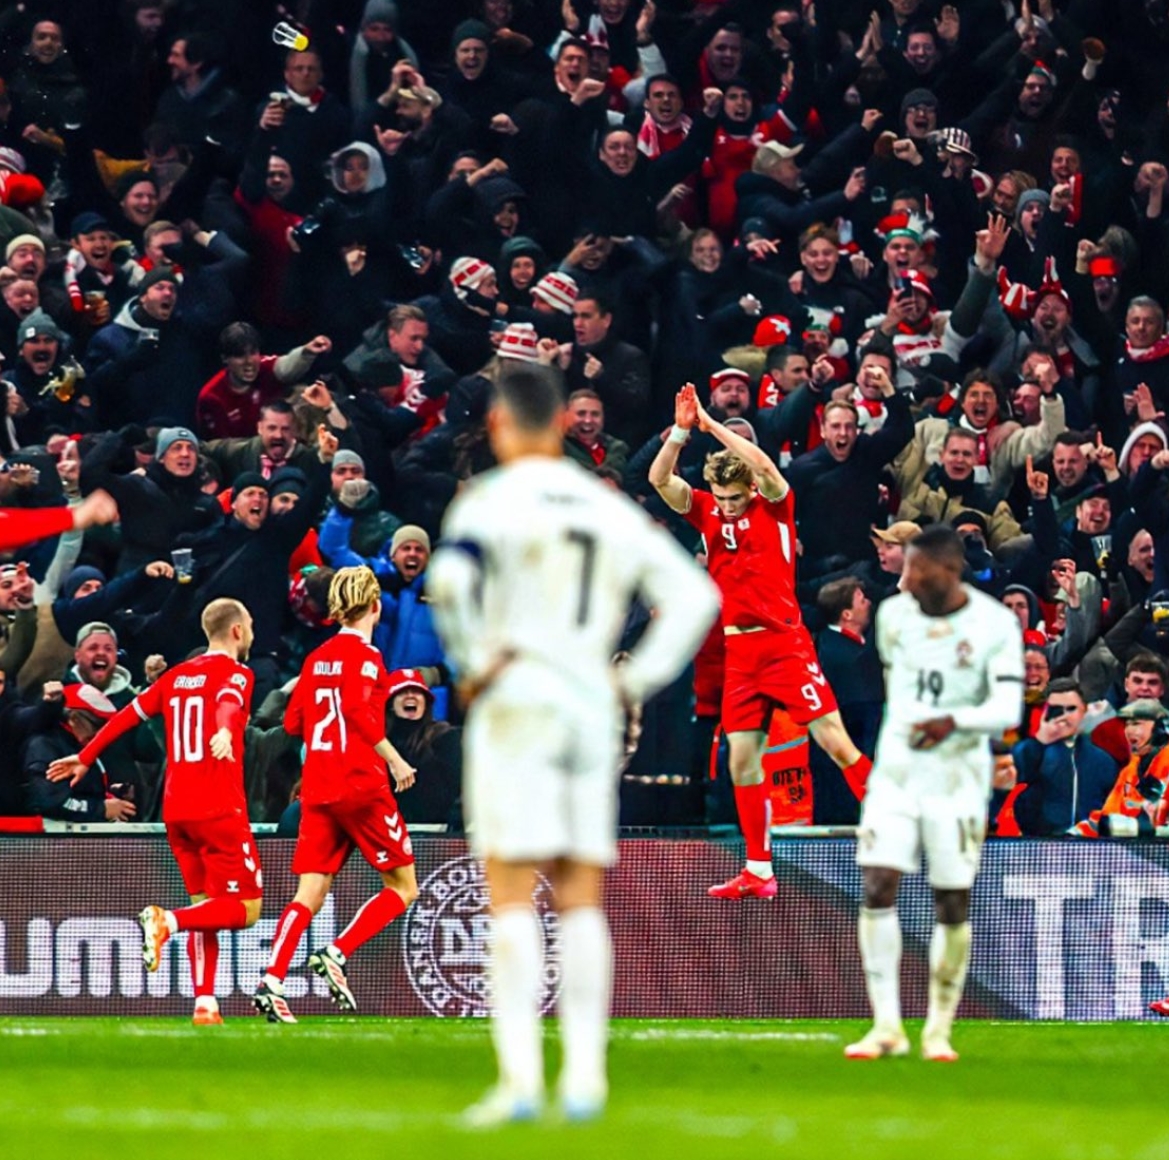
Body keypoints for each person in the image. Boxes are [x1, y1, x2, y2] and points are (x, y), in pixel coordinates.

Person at [428, 368, 718, 1124]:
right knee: (581, 895)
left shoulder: (486, 501)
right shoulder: (604, 506)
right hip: (589, 702)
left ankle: (520, 1082)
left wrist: (471, 662)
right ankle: (585, 1079)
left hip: (515, 699)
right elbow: (696, 595)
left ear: (498, 425)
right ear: (563, 423)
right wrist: (634, 680)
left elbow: (449, 583)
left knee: (509, 890)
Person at [650, 383, 874, 899]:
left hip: (784, 644)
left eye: (735, 497)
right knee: (740, 760)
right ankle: (758, 868)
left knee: (835, 743)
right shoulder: (707, 511)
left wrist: (711, 425)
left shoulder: (774, 505)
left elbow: (766, 466)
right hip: (740, 654)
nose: (727, 507)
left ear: (750, 489)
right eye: (722, 498)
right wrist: (681, 433)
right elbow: (659, 479)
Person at [848, 525, 1023, 1062]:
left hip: (957, 780)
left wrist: (953, 723)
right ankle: (886, 1025)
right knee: (878, 883)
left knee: (951, 898)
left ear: (949, 571)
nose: (906, 582)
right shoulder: (893, 616)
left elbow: (1007, 709)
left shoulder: (994, 624)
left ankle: (938, 1029)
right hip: (897, 774)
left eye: (917, 572)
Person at [47, 599, 260, 1027]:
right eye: (250, 624)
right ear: (237, 630)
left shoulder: (177, 677)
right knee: (245, 909)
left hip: (176, 808)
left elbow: (127, 716)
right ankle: (168, 921)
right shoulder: (238, 673)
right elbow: (229, 701)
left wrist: (86, 756)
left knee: (206, 905)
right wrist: (223, 729)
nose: (252, 631)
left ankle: (205, 1003)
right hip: (218, 805)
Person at [255, 565, 418, 1024]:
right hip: (361, 784)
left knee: (309, 892)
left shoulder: (316, 657)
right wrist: (395, 760)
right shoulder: (367, 658)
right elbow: (357, 711)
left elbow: (292, 724)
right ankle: (337, 952)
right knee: (403, 887)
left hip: (319, 787)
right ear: (375, 607)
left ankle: (272, 979)